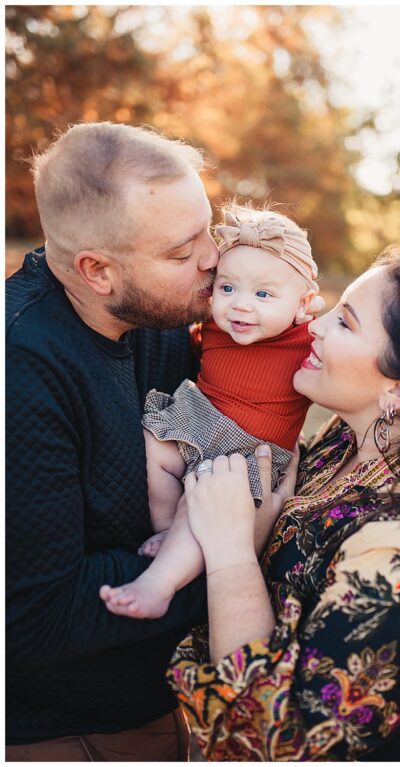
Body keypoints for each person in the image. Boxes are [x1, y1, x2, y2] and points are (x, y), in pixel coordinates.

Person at [166, 250, 400, 760]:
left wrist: (232, 553)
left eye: (343, 322)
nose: (313, 326)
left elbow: (279, 743)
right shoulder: (347, 443)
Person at [5, 122, 219, 759]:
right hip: (61, 728)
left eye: (210, 228)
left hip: (158, 699)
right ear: (97, 271)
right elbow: (36, 614)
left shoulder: (158, 311)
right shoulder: (20, 371)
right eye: (183, 253)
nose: (212, 258)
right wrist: (233, 560)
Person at [100, 204, 319, 620]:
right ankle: (165, 530)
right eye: (228, 288)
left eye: (263, 294)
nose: (240, 306)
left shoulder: (308, 342)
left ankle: (158, 584)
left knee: (199, 503)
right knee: (152, 446)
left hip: (251, 450)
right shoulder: (215, 326)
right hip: (200, 418)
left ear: (303, 303)